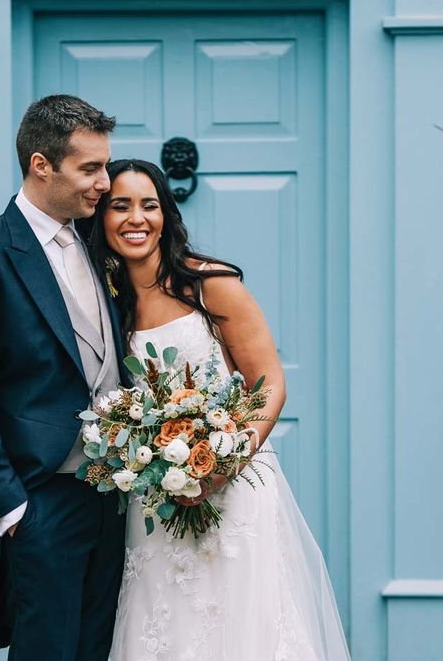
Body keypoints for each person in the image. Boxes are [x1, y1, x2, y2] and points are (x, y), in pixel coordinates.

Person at [89, 159, 351, 660]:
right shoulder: (108, 301)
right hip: (156, 500)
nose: (135, 218)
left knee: (240, 625)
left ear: (166, 213)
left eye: (149, 204)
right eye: (119, 206)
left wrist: (226, 462)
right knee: (167, 625)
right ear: (101, 217)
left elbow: (269, 382)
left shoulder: (210, 283)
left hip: (234, 489)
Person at [0, 95, 131, 661]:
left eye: (105, 166)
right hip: (42, 502)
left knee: (101, 648)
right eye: (90, 168)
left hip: (117, 499)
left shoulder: (100, 243)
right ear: (41, 164)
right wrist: (12, 512)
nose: (104, 182)